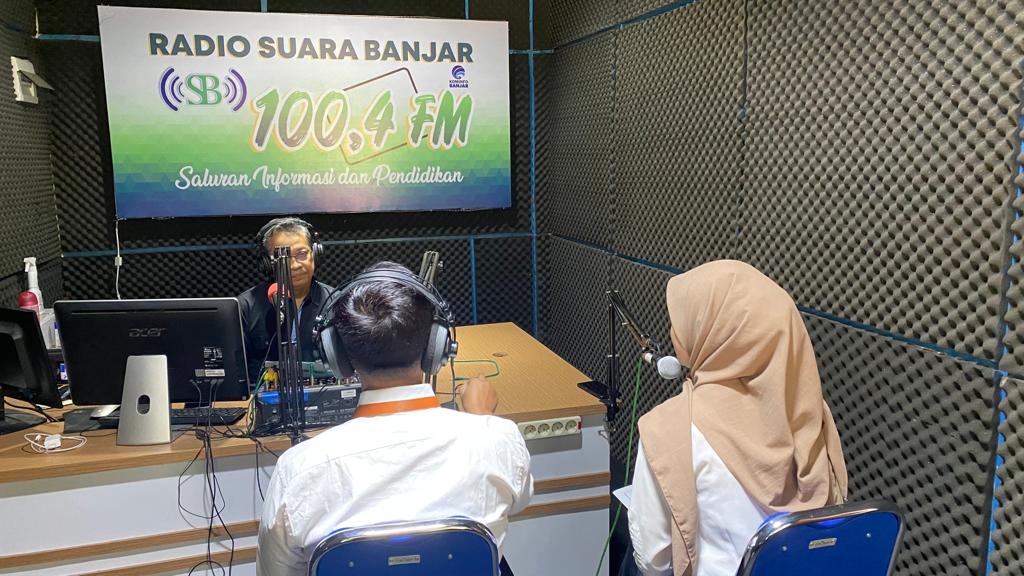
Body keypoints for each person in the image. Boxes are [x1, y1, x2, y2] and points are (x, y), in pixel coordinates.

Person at [256, 262, 532, 576]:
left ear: (336, 356)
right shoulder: (497, 439)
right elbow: (519, 499)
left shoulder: (298, 468)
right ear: (437, 347)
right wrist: (483, 422)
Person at [627, 260, 848, 576]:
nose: (674, 333)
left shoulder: (668, 429)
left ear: (713, 333)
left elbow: (654, 560)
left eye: (680, 323)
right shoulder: (814, 416)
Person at [238, 217, 333, 384]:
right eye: (283, 257)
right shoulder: (246, 306)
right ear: (267, 263)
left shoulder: (335, 302)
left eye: (302, 254)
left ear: (315, 254)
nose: (294, 265)